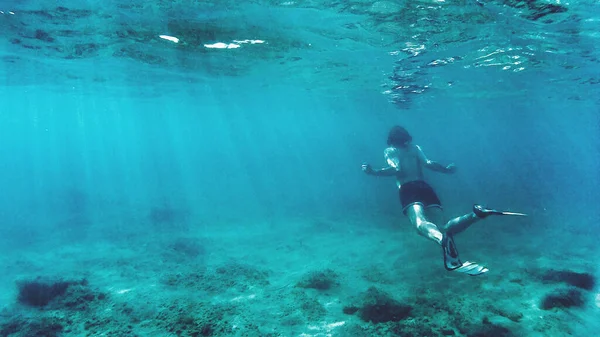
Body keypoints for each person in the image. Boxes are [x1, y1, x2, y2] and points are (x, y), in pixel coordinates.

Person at [362, 126, 525, 276]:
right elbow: (428, 163)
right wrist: (446, 170)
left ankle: (442, 241)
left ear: (391, 139)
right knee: (444, 227)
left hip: (408, 188)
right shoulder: (415, 148)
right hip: (424, 187)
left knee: (419, 223)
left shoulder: (390, 151)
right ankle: (476, 215)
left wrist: (372, 172)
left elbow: (396, 168)